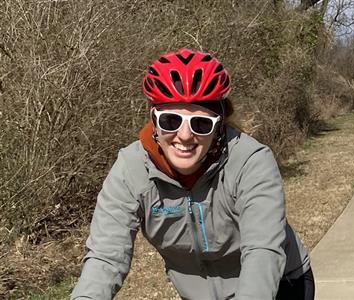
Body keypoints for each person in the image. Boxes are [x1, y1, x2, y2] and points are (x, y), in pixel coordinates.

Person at [71, 49, 313, 300]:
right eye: (171, 121)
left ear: (218, 126)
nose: (185, 135)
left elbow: (262, 250)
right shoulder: (131, 169)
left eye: (200, 124)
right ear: (154, 121)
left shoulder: (251, 161)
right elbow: (105, 256)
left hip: (279, 285)